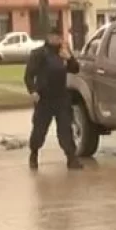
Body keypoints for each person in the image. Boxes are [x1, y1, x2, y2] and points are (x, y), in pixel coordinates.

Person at [23, 28, 83, 170]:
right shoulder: (38, 54)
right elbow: (28, 76)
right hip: (44, 98)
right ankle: (34, 153)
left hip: (61, 97)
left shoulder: (63, 53)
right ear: (48, 37)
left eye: (59, 37)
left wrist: (69, 58)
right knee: (39, 129)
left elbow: (75, 69)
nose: (57, 40)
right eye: (54, 37)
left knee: (65, 129)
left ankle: (71, 158)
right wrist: (33, 91)